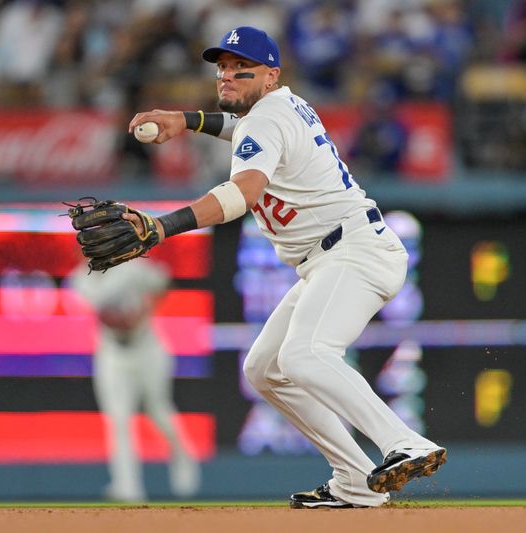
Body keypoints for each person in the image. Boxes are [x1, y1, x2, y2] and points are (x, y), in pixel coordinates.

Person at [126, 26, 446, 509]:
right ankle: (356, 481)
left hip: (351, 252)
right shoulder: (280, 108)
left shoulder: (266, 118)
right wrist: (186, 120)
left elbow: (242, 194)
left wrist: (161, 227)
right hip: (338, 253)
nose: (228, 76)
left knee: (303, 355)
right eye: (223, 68)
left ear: (271, 75)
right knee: (264, 369)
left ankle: (405, 443)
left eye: (243, 68)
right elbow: (243, 127)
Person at [71, 259, 200, 502]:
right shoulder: (80, 279)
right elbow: (102, 314)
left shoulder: (130, 267)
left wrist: (146, 309)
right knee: (118, 419)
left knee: (158, 410)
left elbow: (163, 281)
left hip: (147, 346)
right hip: (112, 351)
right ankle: (128, 487)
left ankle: (182, 456)